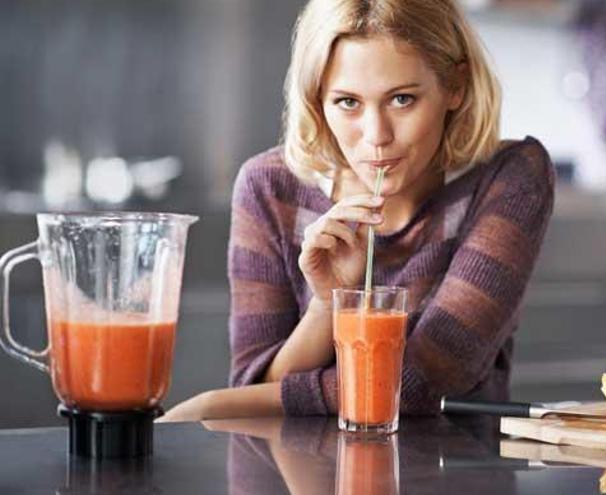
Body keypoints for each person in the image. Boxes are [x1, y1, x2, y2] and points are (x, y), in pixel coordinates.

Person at [160, 0, 554, 422]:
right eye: (348, 102)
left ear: (455, 85)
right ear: (317, 99)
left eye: (402, 99)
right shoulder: (269, 188)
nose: (376, 136)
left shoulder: (509, 177)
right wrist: (327, 304)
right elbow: (256, 389)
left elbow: (420, 382)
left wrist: (214, 404)